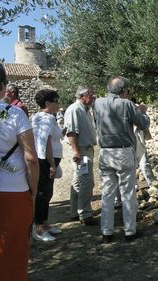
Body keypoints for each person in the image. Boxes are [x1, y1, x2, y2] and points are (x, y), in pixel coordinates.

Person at [0, 62, 39, 280]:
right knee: (12, 249)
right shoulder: (15, 114)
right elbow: (30, 158)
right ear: (3, 87)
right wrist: (33, 191)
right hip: (13, 190)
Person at [93, 76, 150, 244]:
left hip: (105, 152)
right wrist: (142, 112)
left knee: (108, 193)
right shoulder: (127, 104)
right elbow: (142, 123)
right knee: (127, 192)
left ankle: (107, 232)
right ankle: (130, 231)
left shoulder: (97, 103)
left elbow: (97, 123)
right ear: (124, 91)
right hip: (123, 151)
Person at [31, 89, 63, 241]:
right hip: (46, 160)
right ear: (47, 103)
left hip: (45, 159)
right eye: (56, 101)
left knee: (47, 193)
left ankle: (44, 224)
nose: (58, 103)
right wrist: (51, 164)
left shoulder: (39, 117)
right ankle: (39, 229)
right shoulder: (47, 119)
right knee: (43, 194)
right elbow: (46, 144)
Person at [64, 86, 97, 225]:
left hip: (85, 149)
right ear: (83, 95)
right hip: (82, 151)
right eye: (91, 94)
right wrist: (76, 151)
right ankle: (85, 214)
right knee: (87, 182)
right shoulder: (74, 109)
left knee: (78, 182)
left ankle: (75, 212)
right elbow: (71, 132)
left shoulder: (84, 109)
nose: (94, 97)